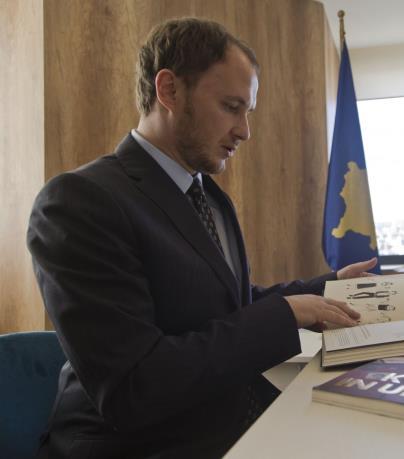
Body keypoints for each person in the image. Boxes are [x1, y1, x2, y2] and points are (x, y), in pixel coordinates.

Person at [27, 17, 376, 459]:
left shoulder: (209, 196)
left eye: (247, 112)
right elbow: (135, 387)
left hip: (229, 421)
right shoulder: (78, 201)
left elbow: (230, 303)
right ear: (169, 90)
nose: (245, 131)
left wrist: (327, 289)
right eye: (231, 107)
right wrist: (285, 316)